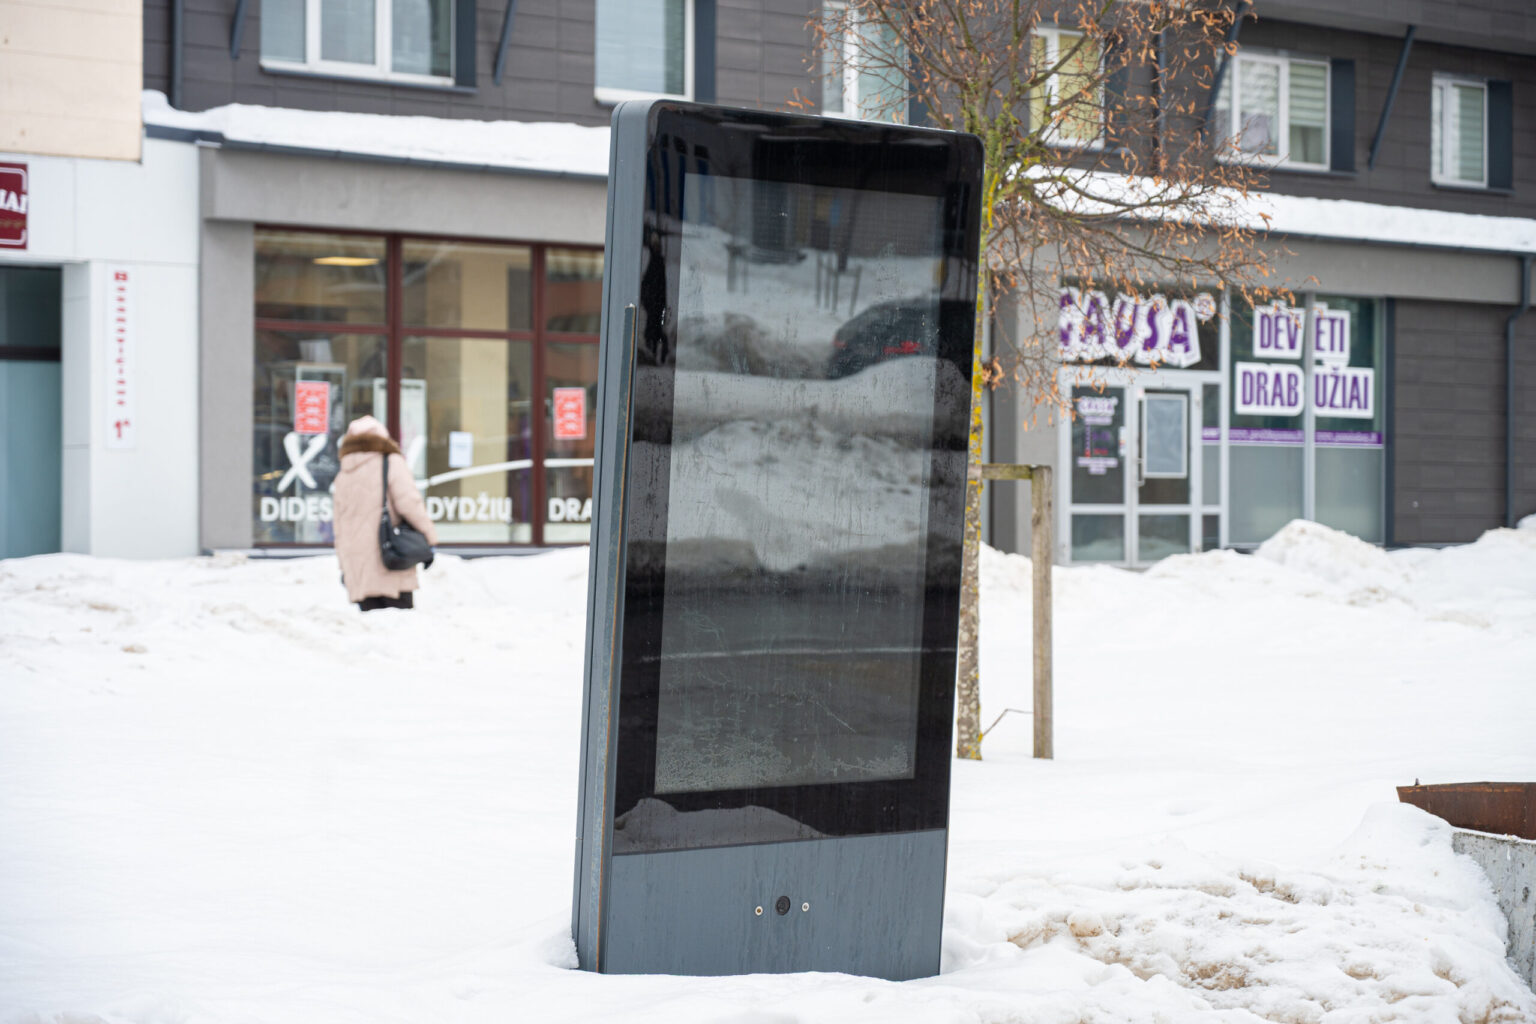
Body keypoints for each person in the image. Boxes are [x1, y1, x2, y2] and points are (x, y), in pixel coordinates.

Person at [332, 415, 437, 611]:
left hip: (357, 563)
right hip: (389, 555)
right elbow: (410, 504)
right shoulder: (390, 462)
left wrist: (344, 565)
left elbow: (338, 525)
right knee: (400, 622)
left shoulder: (343, 473)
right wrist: (430, 538)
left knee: (371, 624)